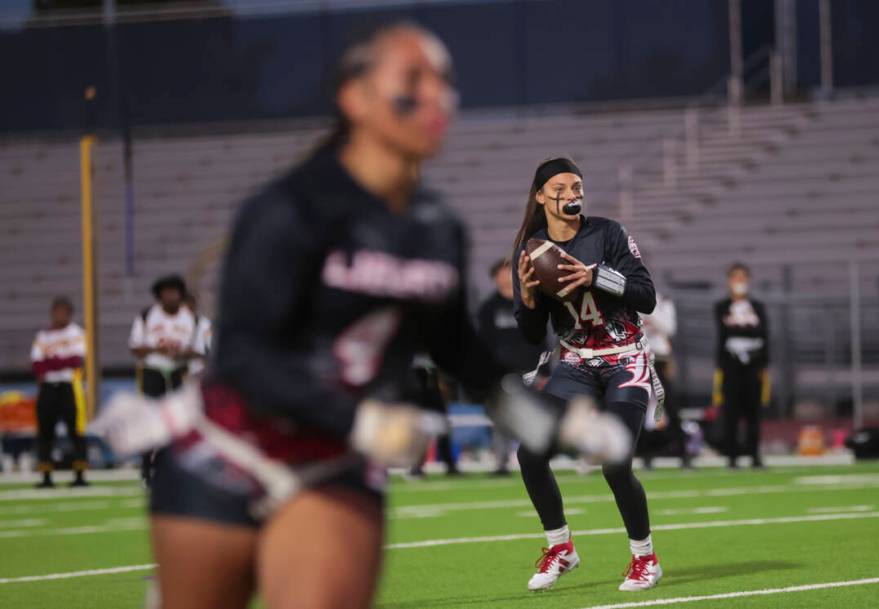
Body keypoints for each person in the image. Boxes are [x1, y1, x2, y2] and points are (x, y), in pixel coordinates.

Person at [91, 24, 628, 609]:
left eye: (445, 83)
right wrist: (360, 422)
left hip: (334, 465)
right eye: (411, 83)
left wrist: (556, 426)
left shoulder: (435, 226)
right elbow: (245, 360)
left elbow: (463, 360)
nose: (435, 100)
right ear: (355, 97)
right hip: (231, 448)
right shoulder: (286, 208)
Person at [513, 157, 665, 592]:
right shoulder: (530, 250)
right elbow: (528, 333)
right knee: (530, 452)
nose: (571, 194)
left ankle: (645, 558)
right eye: (560, 187)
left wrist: (596, 276)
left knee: (615, 461)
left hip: (624, 359)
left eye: (577, 186)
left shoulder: (608, 233)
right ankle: (560, 547)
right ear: (541, 195)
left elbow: (647, 297)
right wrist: (526, 298)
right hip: (576, 363)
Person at [477, 257, 548, 474]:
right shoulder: (488, 308)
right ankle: (501, 462)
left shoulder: (528, 302)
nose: (504, 277)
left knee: (536, 415)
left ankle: (538, 460)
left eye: (508, 272)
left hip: (530, 370)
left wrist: (545, 369)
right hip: (501, 373)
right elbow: (482, 341)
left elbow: (542, 336)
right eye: (499, 273)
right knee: (501, 420)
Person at [129, 274, 197, 483]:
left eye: (174, 291)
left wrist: (181, 353)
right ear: (159, 295)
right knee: (150, 417)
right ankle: (146, 468)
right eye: (166, 292)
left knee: (179, 420)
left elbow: (199, 350)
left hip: (179, 371)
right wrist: (157, 349)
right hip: (152, 371)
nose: (170, 296)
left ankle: (175, 468)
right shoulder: (147, 315)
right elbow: (135, 347)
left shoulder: (191, 317)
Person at [713, 262, 769, 469]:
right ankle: (732, 455)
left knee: (753, 410)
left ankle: (754, 454)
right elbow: (725, 333)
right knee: (731, 411)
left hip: (753, 364)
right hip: (731, 364)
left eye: (742, 278)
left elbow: (762, 334)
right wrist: (744, 327)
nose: (739, 283)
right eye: (735, 278)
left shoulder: (758, 307)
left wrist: (739, 326)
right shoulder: (722, 306)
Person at [30, 297, 88, 488]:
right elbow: (37, 365)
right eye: (57, 311)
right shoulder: (42, 336)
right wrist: (59, 362)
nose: (60, 315)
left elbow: (75, 361)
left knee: (76, 430)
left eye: (64, 311)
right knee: (45, 432)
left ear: (69, 314)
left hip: (69, 387)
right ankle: (46, 476)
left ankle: (80, 474)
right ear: (52, 312)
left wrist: (51, 362)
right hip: (47, 389)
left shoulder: (76, 333)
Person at [637, 293, 691, 469]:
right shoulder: (631, 299)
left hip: (660, 359)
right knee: (640, 407)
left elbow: (669, 328)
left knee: (670, 406)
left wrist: (650, 312)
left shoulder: (663, 302)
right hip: (639, 358)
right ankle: (644, 454)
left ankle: (683, 453)